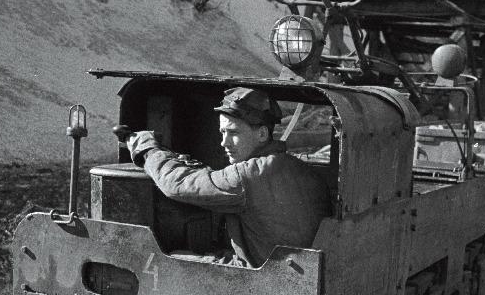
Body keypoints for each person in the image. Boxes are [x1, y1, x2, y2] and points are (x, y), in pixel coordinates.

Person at [127, 87, 332, 268]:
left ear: (262, 134)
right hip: (292, 272)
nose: (224, 143)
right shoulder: (302, 171)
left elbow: (176, 184)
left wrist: (147, 149)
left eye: (233, 132)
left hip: (258, 279)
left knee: (171, 259)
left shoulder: (247, 175)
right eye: (222, 132)